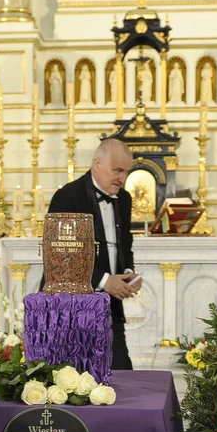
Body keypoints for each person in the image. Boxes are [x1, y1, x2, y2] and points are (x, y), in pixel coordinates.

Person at [47, 139, 140, 370]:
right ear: (97, 164)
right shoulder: (67, 196)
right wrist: (104, 280)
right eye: (117, 170)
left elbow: (124, 243)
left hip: (111, 310)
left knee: (121, 377)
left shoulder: (124, 199)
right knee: (74, 379)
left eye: (126, 172)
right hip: (71, 310)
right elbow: (60, 259)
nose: (123, 178)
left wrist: (127, 273)